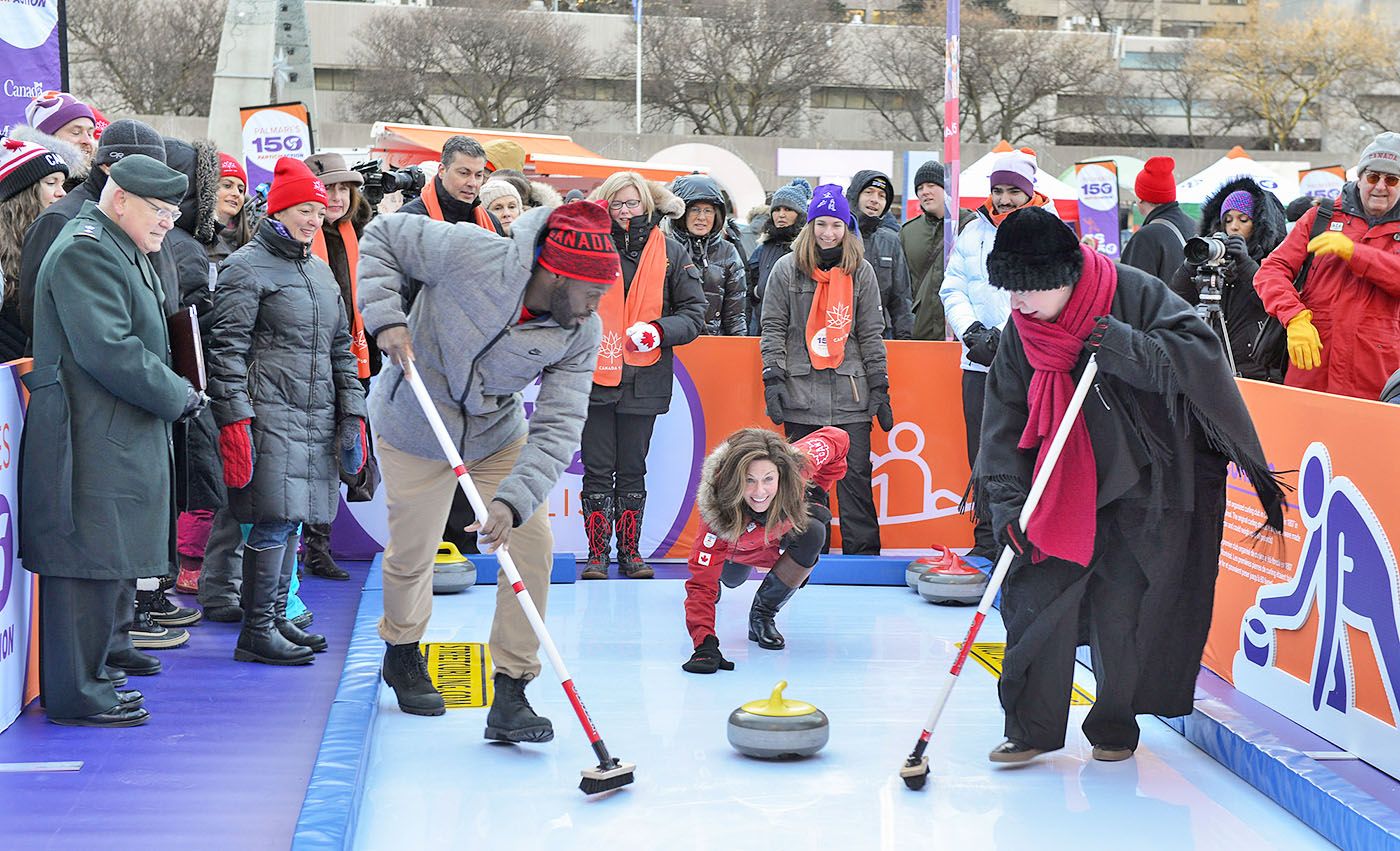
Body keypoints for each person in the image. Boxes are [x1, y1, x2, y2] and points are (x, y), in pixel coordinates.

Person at [972, 206, 1285, 764]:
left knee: (1125, 613)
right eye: (1009, 292)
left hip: (1145, 483)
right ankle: (1031, 730)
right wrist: (1008, 504)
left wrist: (1116, 344)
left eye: (1026, 291)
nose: (1015, 305)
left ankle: (1115, 727)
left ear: (1061, 279)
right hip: (1058, 490)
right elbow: (1003, 422)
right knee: (1035, 605)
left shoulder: (1135, 294)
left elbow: (1196, 363)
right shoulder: (1021, 335)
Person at [356, 201, 616, 739]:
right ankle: (402, 651)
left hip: (497, 433)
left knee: (532, 543)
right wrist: (385, 318)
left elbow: (560, 423)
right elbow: (382, 235)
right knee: (413, 552)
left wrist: (513, 501)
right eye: (591, 292)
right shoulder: (471, 254)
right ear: (558, 274)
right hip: (414, 421)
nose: (596, 307)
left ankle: (512, 692)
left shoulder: (580, 332)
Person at [20, 154, 207, 727]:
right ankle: (77, 692)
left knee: (109, 559)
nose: (167, 222)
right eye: (158, 209)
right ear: (120, 197)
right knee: (86, 563)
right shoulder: (87, 248)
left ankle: (93, 676)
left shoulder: (119, 244)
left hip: (110, 431)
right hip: (87, 433)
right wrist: (181, 396)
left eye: (174, 211)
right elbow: (111, 351)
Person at [206, 157, 368, 665]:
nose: (312, 219)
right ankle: (257, 628)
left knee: (294, 518)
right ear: (279, 210)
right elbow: (225, 350)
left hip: (315, 414)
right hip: (269, 413)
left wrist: (353, 413)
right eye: (302, 209)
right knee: (274, 518)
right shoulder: (246, 267)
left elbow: (341, 348)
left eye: (317, 211)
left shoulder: (319, 272)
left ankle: (274, 618)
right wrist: (234, 418)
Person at [579, 172, 706, 580]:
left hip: (644, 375)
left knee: (633, 467)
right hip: (595, 376)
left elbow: (694, 313)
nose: (625, 212)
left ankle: (631, 554)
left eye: (632, 203)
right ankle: (597, 555)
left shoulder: (671, 250)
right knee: (598, 468)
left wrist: (659, 330)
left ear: (648, 206)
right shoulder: (588, 248)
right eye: (616, 204)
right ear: (604, 205)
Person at [760, 184, 889, 555]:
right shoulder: (787, 269)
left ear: (847, 227)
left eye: (836, 224)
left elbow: (870, 333)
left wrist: (880, 385)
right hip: (801, 394)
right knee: (804, 483)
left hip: (851, 396)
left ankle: (862, 558)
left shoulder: (861, 272)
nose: (828, 233)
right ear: (810, 224)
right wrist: (773, 378)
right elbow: (772, 328)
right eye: (821, 224)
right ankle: (804, 557)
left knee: (855, 480)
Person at [940, 147, 1054, 560]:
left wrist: (1004, 341)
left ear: (1029, 193)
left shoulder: (1048, 230)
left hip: (1028, 365)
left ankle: (1025, 541)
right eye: (998, 190)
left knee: (1024, 451)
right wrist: (971, 331)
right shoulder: (974, 231)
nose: (1004, 199)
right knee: (983, 452)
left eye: (1013, 191)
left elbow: (1049, 294)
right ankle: (987, 539)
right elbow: (952, 286)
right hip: (977, 363)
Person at [398, 136, 502, 557]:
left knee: (471, 458)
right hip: (426, 361)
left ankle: (461, 545)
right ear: (440, 171)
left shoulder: (487, 222)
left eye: (478, 175)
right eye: (463, 172)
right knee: (432, 462)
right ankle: (428, 547)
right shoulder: (411, 219)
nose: (471, 183)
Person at [680, 427, 848, 673]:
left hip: (779, 529)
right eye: (749, 480)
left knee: (813, 531)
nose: (760, 492)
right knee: (731, 579)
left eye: (768, 479)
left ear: (782, 474)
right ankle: (725, 572)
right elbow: (699, 587)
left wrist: (819, 491)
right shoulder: (717, 517)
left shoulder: (800, 462)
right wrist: (705, 644)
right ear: (735, 481)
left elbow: (838, 438)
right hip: (735, 547)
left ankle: (762, 616)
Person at [1253, 132, 1400, 401]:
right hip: (1311, 369)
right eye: (1373, 177)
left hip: (1377, 379)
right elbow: (1271, 271)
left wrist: (1356, 253)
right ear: (1360, 177)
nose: (1380, 186)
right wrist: (1294, 317)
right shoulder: (1321, 217)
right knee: (1300, 441)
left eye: (1391, 179)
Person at [18, 120, 168, 350]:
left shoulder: (153, 218)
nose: (154, 181)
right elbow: (37, 314)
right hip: (81, 375)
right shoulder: (60, 219)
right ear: (107, 166)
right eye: (142, 170)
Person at [301, 151, 380, 582]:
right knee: (313, 457)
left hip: (354, 360)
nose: (336, 197)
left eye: (344, 188)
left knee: (341, 455)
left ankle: (320, 543)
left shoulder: (363, 234)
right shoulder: (294, 233)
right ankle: (311, 547)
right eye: (327, 187)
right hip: (310, 362)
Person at [159, 138, 228, 616]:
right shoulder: (183, 247)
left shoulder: (180, 242)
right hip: (184, 385)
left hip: (178, 385)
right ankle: (173, 575)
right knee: (190, 482)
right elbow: (189, 318)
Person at [1167, 177, 1287, 381]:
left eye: (1243, 219)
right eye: (1228, 220)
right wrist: (1193, 263)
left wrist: (1245, 262)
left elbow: (1270, 300)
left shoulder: (1271, 259)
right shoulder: (1215, 257)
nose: (1234, 227)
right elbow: (1176, 298)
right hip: (1215, 362)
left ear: (1257, 223)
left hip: (1256, 368)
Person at [0, 138, 72, 361]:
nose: (63, 194)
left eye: (62, 184)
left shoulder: (62, 235)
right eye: (51, 183)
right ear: (22, 194)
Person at [899, 160, 968, 341]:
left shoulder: (971, 225)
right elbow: (902, 287)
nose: (925, 192)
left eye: (932, 185)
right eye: (920, 187)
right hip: (920, 333)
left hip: (964, 332)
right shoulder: (908, 232)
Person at [670, 174, 746, 336]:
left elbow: (735, 315)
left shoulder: (728, 252)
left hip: (714, 346)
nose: (702, 217)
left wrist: (739, 352)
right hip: (673, 342)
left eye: (708, 210)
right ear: (682, 213)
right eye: (695, 210)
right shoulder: (665, 247)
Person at [845, 170, 914, 339]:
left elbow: (901, 301)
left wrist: (905, 342)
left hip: (877, 336)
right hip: (836, 334)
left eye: (882, 196)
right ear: (855, 196)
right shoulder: (836, 234)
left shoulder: (891, 241)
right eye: (868, 192)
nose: (875, 199)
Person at [746, 179, 810, 335]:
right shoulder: (763, 248)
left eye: (788, 209)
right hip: (763, 329)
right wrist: (757, 292)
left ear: (800, 214)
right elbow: (748, 284)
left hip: (798, 332)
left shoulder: (807, 249)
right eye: (777, 209)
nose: (781, 215)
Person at [1120, 156, 1194, 284]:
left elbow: (1131, 290)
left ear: (1141, 198)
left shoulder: (1146, 237)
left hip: (1166, 304)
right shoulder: (1194, 225)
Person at [24, 92, 97, 170]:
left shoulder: (104, 176)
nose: (87, 141)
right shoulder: (31, 180)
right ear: (47, 138)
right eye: (76, 132)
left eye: (90, 134)